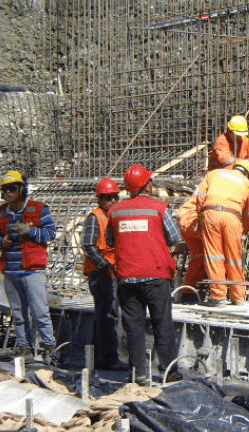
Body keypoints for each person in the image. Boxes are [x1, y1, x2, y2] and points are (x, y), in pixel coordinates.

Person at [107, 163, 182, 383]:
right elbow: (175, 238)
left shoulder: (115, 211)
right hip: (155, 275)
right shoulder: (159, 208)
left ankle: (139, 372)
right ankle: (169, 373)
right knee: (162, 325)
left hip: (127, 277)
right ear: (147, 186)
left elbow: (111, 241)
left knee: (133, 327)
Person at [0, 170, 58, 363]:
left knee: (39, 311)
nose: (8, 193)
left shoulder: (38, 209)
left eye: (12, 189)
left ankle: (48, 346)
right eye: (5, 190)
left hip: (32, 269)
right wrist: (0, 242)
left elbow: (51, 233)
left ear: (22, 189)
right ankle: (24, 347)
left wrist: (30, 231)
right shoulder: (2, 211)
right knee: (18, 313)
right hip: (11, 269)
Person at [176, 160, 249, 306]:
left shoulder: (214, 174)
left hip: (211, 213)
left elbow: (201, 196)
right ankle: (238, 297)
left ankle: (218, 296)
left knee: (214, 256)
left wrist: (203, 217)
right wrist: (243, 230)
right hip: (233, 217)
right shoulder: (248, 184)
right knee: (234, 258)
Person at [80, 177, 123, 370]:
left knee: (108, 314)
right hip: (101, 274)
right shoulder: (95, 217)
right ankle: (107, 359)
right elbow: (89, 245)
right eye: (108, 197)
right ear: (100, 199)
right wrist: (105, 267)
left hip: (112, 271)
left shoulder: (116, 216)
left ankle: (102, 357)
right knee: (107, 315)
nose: (112, 201)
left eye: (115, 197)